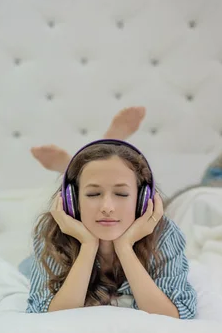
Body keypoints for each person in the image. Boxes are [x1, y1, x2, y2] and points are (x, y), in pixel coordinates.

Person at [22, 112, 197, 319]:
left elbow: (178, 314)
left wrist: (124, 247)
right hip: (30, 262)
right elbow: (43, 315)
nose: (107, 207)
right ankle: (79, 165)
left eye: (121, 194)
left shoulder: (164, 232)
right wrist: (88, 245)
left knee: (102, 170)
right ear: (72, 199)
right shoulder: (52, 231)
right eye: (93, 193)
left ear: (142, 198)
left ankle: (84, 163)